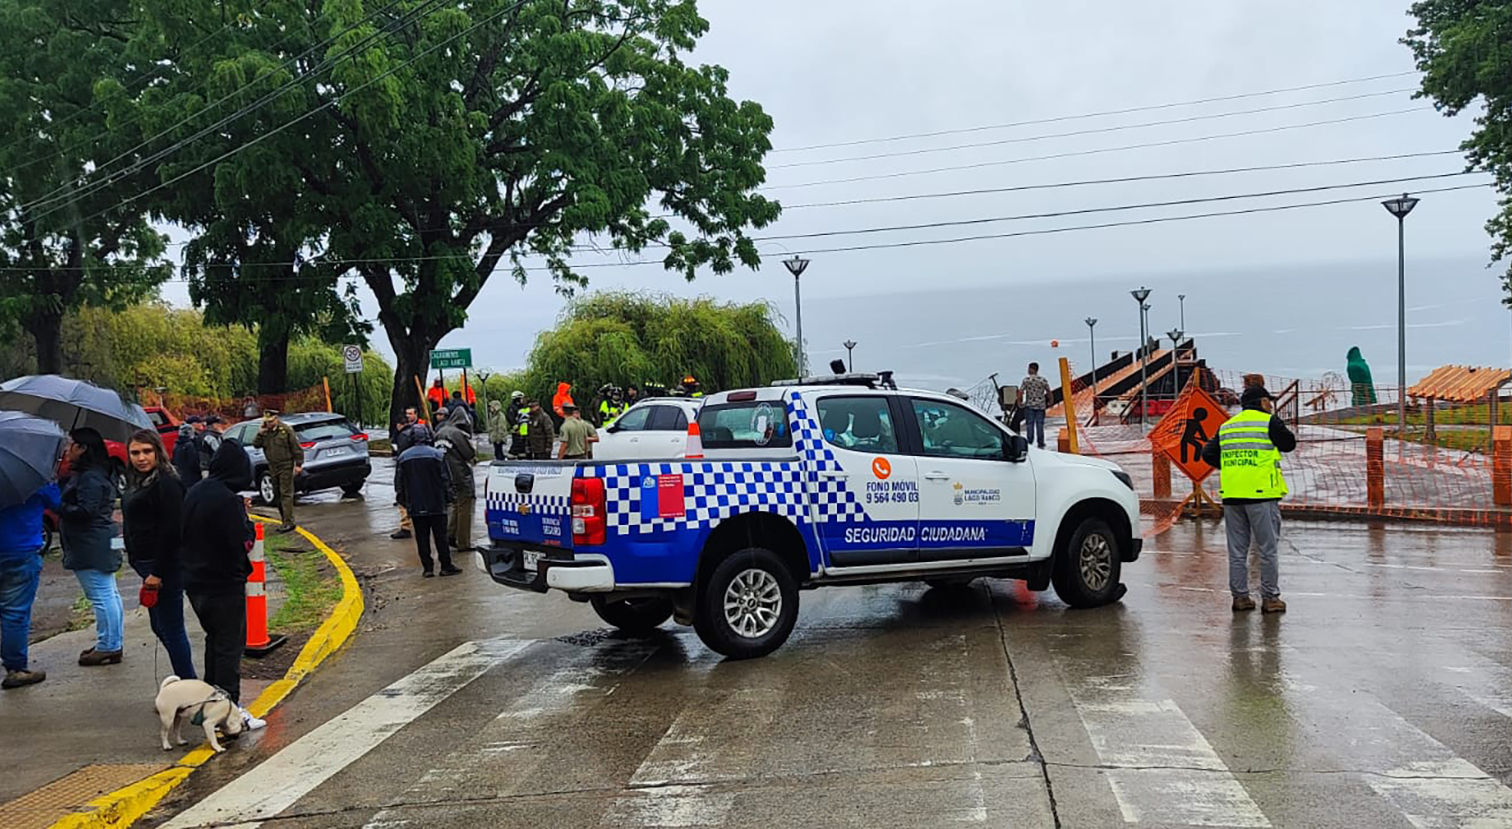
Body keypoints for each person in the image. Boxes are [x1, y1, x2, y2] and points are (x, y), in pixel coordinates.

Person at [177, 437, 262, 727]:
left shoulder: (196, 491)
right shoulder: (227, 501)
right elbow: (244, 542)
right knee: (229, 648)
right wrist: (245, 517)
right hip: (224, 584)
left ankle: (207, 707)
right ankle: (229, 713)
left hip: (196, 583)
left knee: (214, 644)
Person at [1201, 385, 1298, 614]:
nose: (1271, 405)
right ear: (1262, 402)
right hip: (1261, 494)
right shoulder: (1268, 421)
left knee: (1237, 550)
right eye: (1269, 401)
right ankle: (1271, 598)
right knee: (1267, 549)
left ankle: (1240, 597)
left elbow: (1208, 454)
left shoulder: (1227, 425)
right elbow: (1289, 444)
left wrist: (1235, 468)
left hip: (1233, 495)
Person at [122, 429, 196, 679]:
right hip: (146, 564)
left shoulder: (166, 482)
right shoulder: (139, 480)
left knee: (172, 629)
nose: (141, 458)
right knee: (159, 626)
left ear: (157, 452)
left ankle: (190, 686)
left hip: (164, 566)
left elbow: (173, 531)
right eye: (135, 452)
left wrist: (157, 572)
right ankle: (188, 681)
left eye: (146, 451)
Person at [60, 428, 124, 667]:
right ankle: (109, 641)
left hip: (90, 543)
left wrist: (60, 506)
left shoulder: (91, 478)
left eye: (72, 445)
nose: (68, 449)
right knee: (108, 592)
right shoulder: (96, 474)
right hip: (96, 540)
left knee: (101, 595)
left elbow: (86, 511)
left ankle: (109, 645)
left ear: (83, 448)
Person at [0, 478, 60, 688]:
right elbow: (58, 503)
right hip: (20, 551)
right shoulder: (31, 478)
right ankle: (15, 668)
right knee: (15, 614)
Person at [394, 427, 460, 577]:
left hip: (416, 504)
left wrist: (403, 500)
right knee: (440, 536)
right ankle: (445, 565)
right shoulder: (437, 455)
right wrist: (450, 497)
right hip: (437, 502)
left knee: (422, 537)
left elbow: (399, 483)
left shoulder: (404, 457)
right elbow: (446, 479)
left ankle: (428, 568)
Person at [253, 409, 304, 533]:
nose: (269, 424)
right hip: (272, 466)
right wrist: (260, 433)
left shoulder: (285, 430)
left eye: (271, 421)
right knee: (277, 494)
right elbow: (256, 444)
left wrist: (298, 464)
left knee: (285, 493)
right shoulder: (265, 433)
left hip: (286, 464)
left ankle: (288, 522)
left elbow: (296, 447)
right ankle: (284, 520)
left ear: (276, 419)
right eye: (267, 422)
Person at [435, 407, 477, 553]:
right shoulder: (457, 434)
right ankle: (463, 542)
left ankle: (450, 535)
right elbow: (468, 453)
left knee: (455, 505)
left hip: (445, 475)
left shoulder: (440, 432)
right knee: (464, 506)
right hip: (460, 474)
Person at [390, 407, 433, 540]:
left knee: (404, 497)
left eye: (410, 413)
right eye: (407, 413)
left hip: (409, 471)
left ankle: (406, 526)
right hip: (421, 469)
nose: (408, 416)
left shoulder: (404, 435)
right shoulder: (422, 430)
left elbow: (401, 455)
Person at [1018, 362, 1051, 450]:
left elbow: (1020, 392)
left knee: (1030, 424)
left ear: (1032, 369)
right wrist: (1051, 400)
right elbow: (1048, 391)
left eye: (1029, 368)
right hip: (1041, 406)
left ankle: (1030, 441)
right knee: (1040, 424)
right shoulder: (1042, 380)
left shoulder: (1026, 380)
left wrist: (1019, 401)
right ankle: (1040, 442)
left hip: (1029, 406)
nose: (1028, 370)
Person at [510, 391, 529, 458]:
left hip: (523, 431)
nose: (522, 400)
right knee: (517, 444)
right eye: (521, 398)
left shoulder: (521, 407)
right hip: (517, 431)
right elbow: (511, 418)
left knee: (522, 445)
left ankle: (521, 455)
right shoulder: (513, 408)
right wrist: (516, 427)